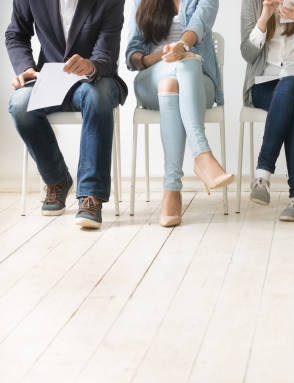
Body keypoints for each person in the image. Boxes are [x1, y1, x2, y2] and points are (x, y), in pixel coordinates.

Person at [6, 0, 128, 229]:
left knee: (97, 96)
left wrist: (91, 65)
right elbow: (16, 34)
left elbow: (107, 51)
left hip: (96, 79)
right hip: (49, 78)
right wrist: (26, 69)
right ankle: (57, 180)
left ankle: (91, 196)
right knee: (20, 103)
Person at [126, 0, 233, 227]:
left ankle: (171, 188)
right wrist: (154, 58)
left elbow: (199, 24)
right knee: (181, 68)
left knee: (179, 74)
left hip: (198, 81)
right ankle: (202, 156)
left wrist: (181, 47)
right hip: (151, 78)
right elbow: (132, 52)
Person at [241, 0, 294, 222]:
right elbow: (247, 54)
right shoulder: (252, 2)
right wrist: (264, 17)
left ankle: (262, 175)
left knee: (289, 85)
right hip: (264, 83)